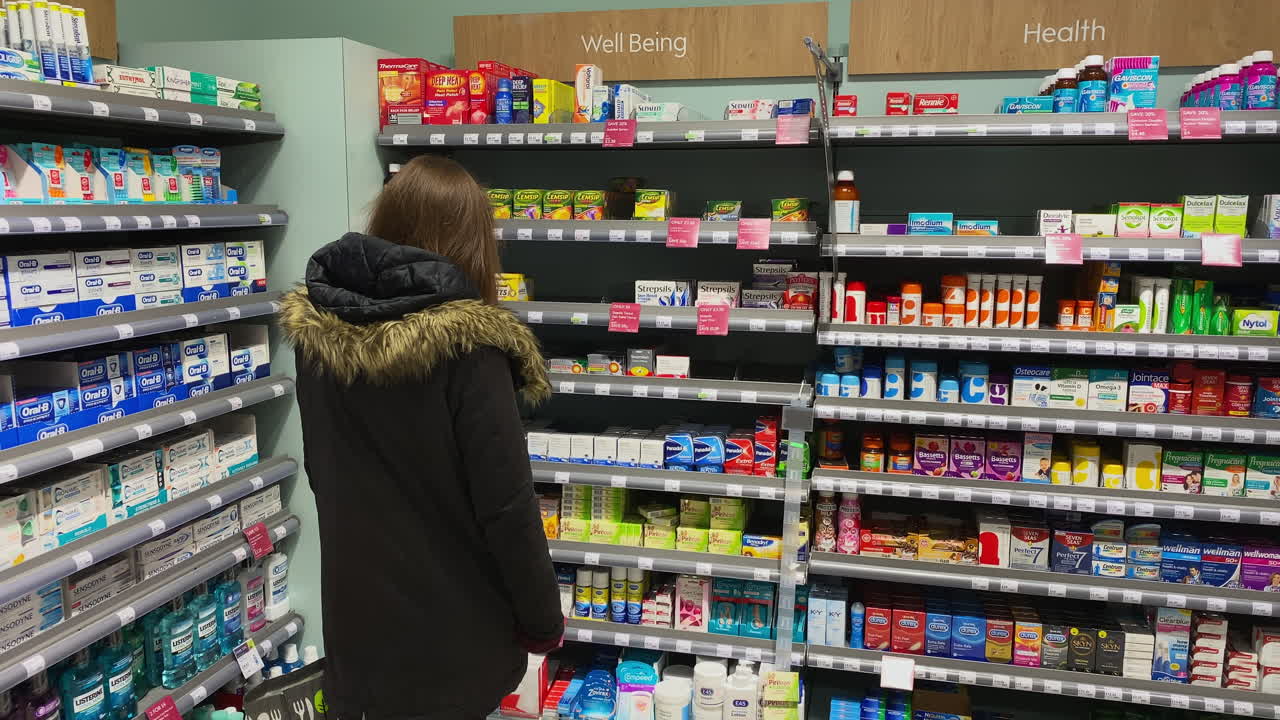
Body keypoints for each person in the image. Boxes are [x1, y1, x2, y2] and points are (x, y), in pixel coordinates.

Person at [279, 155, 563, 720]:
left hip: (358, 634)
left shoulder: (319, 342)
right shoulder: (470, 351)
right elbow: (506, 509)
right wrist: (542, 621)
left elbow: (323, 473)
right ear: (474, 245)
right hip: (451, 647)